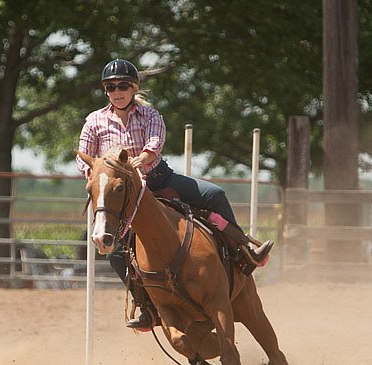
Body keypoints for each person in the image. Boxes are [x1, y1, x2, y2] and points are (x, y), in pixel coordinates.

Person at [76, 59, 273, 329]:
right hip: (123, 194)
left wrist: (141, 159)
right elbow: (83, 158)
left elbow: (155, 142)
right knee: (117, 253)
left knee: (213, 194)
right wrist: (99, 176)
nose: (117, 91)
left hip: (159, 179)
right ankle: (145, 304)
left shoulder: (150, 115)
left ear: (133, 88)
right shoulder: (94, 121)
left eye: (123, 85)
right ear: (106, 90)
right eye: (111, 86)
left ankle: (243, 251)